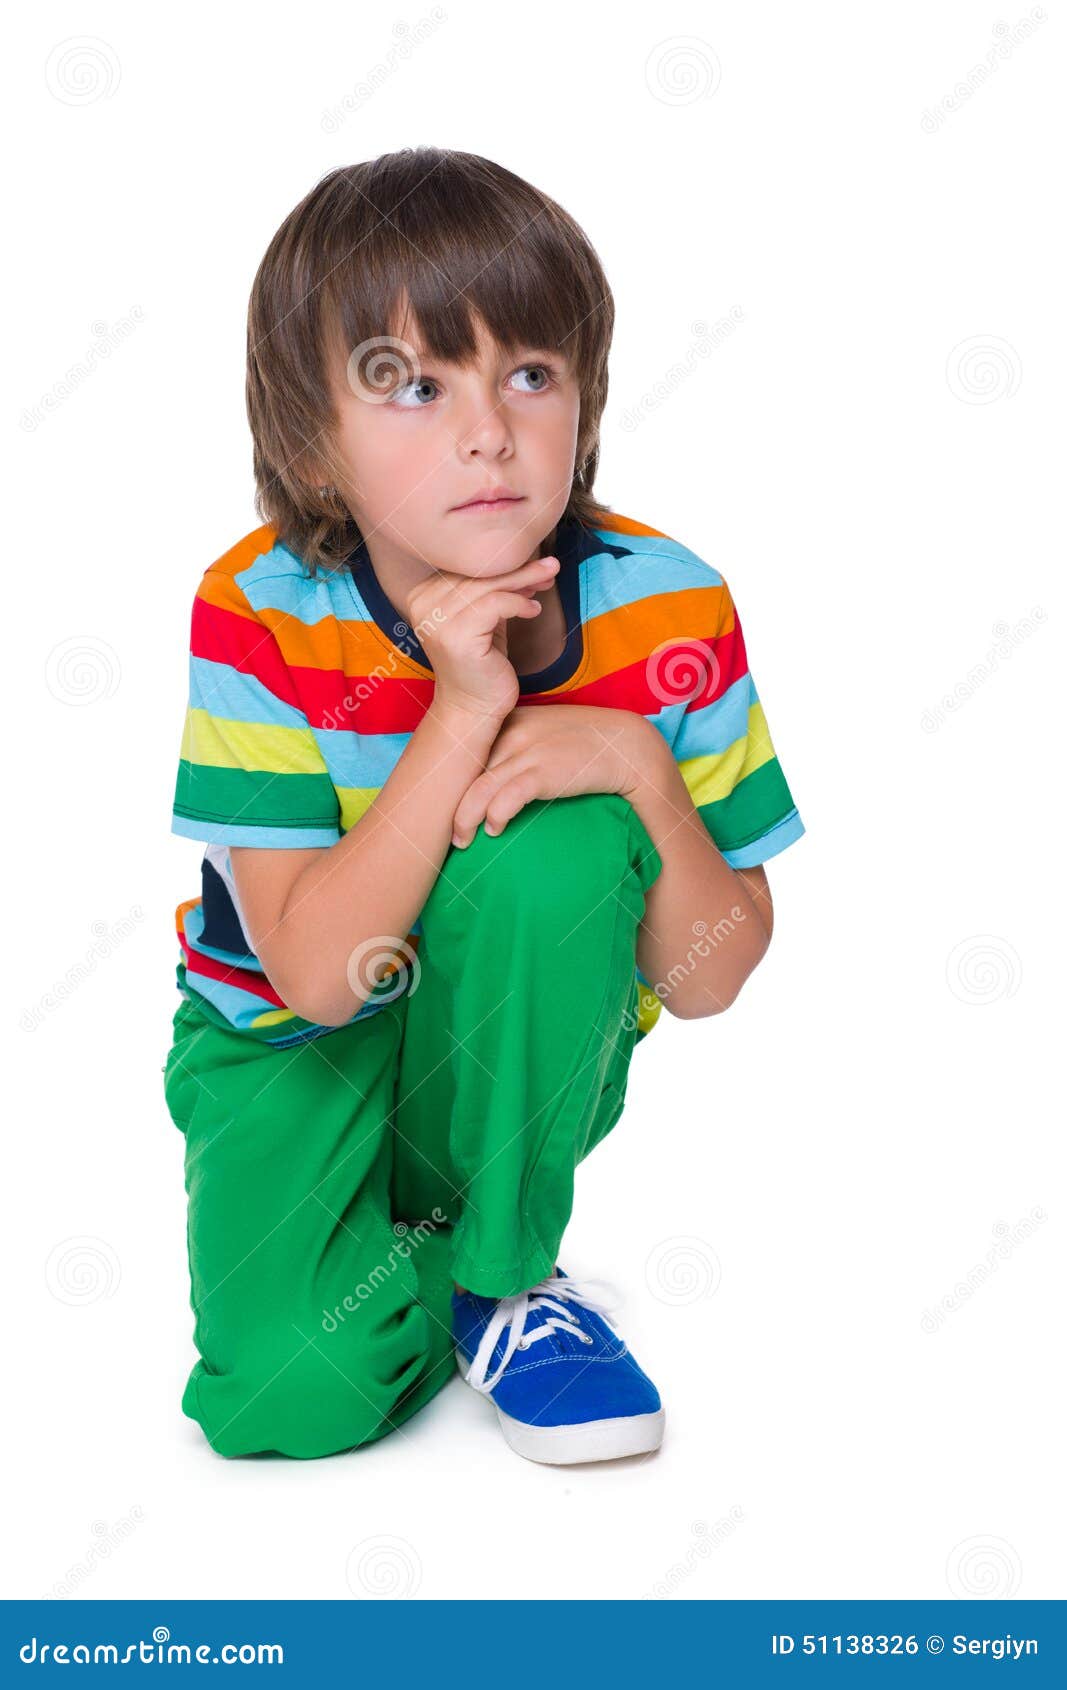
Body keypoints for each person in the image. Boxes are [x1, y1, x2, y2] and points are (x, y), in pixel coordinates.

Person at [162, 146, 806, 1464]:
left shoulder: (669, 603)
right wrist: (462, 712)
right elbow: (320, 980)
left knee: (559, 847)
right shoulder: (259, 611)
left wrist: (637, 766)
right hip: (292, 1044)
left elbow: (711, 975)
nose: (488, 434)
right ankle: (441, 1255)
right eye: (413, 384)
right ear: (315, 443)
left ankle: (504, 1279)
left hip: (512, 1036)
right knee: (284, 1396)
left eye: (530, 374)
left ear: (586, 400)